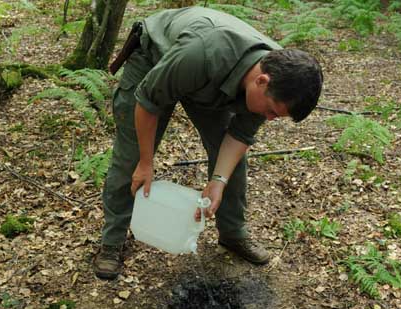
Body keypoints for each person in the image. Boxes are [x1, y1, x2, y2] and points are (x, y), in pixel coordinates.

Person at [92, 6, 324, 279]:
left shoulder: (281, 80)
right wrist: (145, 162)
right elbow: (148, 101)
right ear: (261, 81)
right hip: (157, 58)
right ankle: (112, 241)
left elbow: (239, 137)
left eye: (278, 116)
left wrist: (218, 181)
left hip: (210, 84)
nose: (270, 119)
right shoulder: (202, 53)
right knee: (130, 158)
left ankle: (233, 234)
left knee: (232, 162)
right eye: (272, 111)